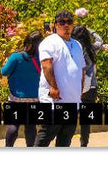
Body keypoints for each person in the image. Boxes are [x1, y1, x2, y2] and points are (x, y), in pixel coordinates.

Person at [36, 10, 86, 147]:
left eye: (69, 22)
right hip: (54, 101)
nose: (66, 25)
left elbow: (81, 68)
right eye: (62, 22)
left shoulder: (77, 44)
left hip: (73, 101)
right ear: (55, 25)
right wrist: (53, 87)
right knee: (45, 136)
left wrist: (80, 91)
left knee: (65, 140)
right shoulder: (49, 42)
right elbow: (47, 65)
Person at [0, 31, 43, 147]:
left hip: (16, 97)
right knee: (31, 126)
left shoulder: (16, 57)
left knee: (14, 125)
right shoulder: (42, 58)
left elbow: (4, 72)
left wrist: (4, 63)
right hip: (35, 97)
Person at [71, 25, 104, 147]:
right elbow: (100, 40)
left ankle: (66, 141)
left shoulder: (72, 49)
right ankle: (84, 144)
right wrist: (89, 30)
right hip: (90, 88)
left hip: (74, 87)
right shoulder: (91, 49)